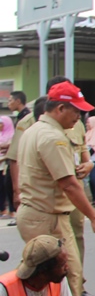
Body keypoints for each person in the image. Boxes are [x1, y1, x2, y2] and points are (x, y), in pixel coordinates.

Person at [15, 82, 95, 296]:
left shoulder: (33, 130)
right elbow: (68, 184)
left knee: (42, 277)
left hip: (35, 213)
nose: (79, 116)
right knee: (69, 272)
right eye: (75, 110)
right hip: (48, 218)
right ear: (59, 109)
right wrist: (94, 217)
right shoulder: (52, 137)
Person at [6, 90, 36, 222]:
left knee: (16, 186)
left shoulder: (26, 118)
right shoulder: (20, 116)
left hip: (22, 158)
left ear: (18, 101)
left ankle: (19, 214)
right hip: (17, 155)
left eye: (10, 100)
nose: (8, 103)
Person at [0, 116, 13, 219]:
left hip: (5, 165)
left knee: (4, 187)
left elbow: (11, 151)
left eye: (1, 123)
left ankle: (7, 210)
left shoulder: (12, 136)